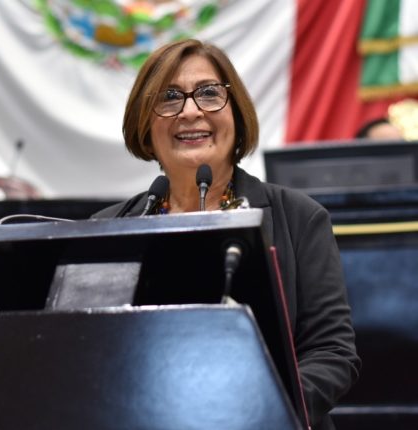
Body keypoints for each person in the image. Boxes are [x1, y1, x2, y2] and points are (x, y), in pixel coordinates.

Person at [92, 39, 360, 429]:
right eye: (169, 97)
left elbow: (331, 352)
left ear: (237, 113)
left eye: (208, 93)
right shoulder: (106, 229)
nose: (190, 111)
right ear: (144, 126)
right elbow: (90, 352)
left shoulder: (299, 217)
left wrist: (257, 412)